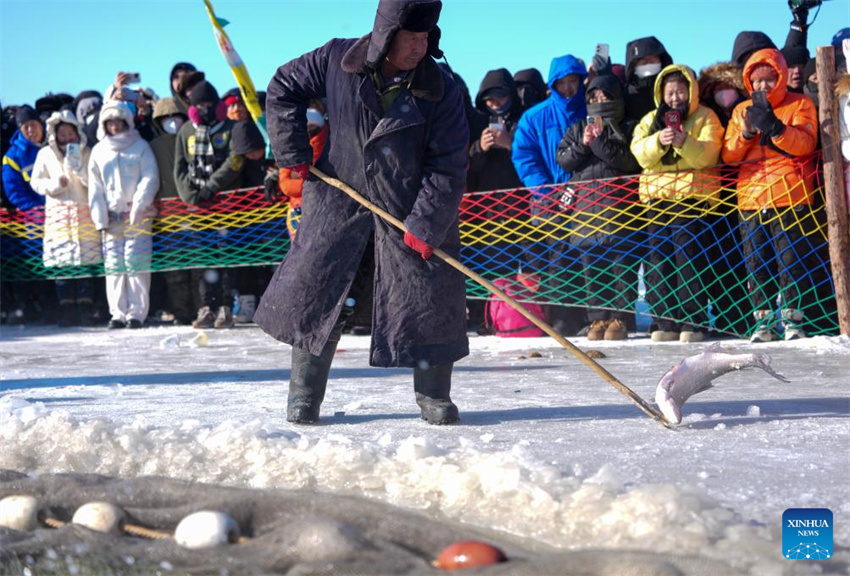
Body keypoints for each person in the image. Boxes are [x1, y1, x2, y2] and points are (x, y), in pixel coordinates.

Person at [254, 0, 469, 425]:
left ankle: (433, 396)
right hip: (338, 204)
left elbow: (449, 163)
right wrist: (291, 151)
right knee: (321, 297)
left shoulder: (441, 86)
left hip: (410, 212)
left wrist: (426, 222)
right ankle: (304, 395)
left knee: (429, 301)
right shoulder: (337, 59)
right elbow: (282, 87)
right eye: (411, 37)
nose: (420, 46)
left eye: (426, 37)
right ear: (387, 34)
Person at [721, 48, 818, 342]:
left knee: (791, 262)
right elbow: (728, 155)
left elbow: (806, 144)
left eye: (769, 79)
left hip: (791, 195)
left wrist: (776, 128)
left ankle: (793, 320)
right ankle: (762, 321)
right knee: (757, 263)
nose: (763, 86)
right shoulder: (741, 111)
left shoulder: (798, 103)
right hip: (751, 199)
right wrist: (747, 133)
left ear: (780, 77)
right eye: (757, 80)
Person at [630, 65, 724, 343]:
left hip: (692, 200)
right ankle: (663, 321)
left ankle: (692, 321)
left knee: (689, 262)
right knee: (659, 262)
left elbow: (709, 155)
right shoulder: (650, 120)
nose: (674, 98)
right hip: (658, 200)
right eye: (670, 93)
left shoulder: (705, 117)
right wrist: (659, 140)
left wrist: (685, 141)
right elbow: (639, 153)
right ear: (661, 94)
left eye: (680, 92)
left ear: (691, 92)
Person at [556, 75, 641, 341]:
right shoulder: (577, 127)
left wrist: (598, 142)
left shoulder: (627, 125)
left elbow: (631, 161)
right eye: (593, 96)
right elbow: (564, 161)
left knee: (621, 268)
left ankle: (621, 318)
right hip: (584, 212)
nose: (598, 101)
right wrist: (583, 143)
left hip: (619, 211)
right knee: (591, 269)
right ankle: (597, 318)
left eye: (604, 95)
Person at [511, 54, 589, 336]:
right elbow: (524, 156)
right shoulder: (535, 117)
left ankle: (594, 317)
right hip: (549, 200)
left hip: (587, 198)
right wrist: (545, 190)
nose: (568, 88)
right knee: (557, 262)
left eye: (573, 82)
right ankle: (561, 319)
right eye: (562, 83)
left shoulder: (592, 111)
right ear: (552, 85)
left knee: (589, 258)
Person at [174, 80, 243, 330]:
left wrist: (212, 185)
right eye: (199, 105)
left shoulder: (229, 127)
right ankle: (206, 307)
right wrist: (189, 194)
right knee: (204, 259)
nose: (204, 109)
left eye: (208, 104)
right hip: (198, 208)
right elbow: (179, 166)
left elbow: (236, 160)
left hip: (225, 204)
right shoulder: (186, 131)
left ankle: (225, 306)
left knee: (227, 257)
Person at [88, 101, 160, 329]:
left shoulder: (140, 146)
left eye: (118, 121)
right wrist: (100, 217)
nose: (115, 126)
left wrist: (140, 204)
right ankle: (117, 313)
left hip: (138, 216)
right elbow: (95, 187)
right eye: (110, 122)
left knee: (136, 263)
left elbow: (150, 177)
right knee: (114, 266)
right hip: (111, 218)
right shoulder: (99, 151)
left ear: (126, 122)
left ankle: (137, 313)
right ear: (104, 125)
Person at [30, 110, 102, 327]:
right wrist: (55, 185)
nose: (67, 138)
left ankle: (86, 309)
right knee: (63, 267)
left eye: (71, 133)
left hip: (84, 218)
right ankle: (67, 310)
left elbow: (95, 183)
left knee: (84, 266)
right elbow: (36, 182)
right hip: (59, 220)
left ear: (77, 133)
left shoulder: (87, 153)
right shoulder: (45, 155)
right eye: (63, 134)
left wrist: (79, 170)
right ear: (55, 135)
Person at [149, 97, 194, 325]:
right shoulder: (154, 146)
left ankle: (199, 307)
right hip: (168, 215)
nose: (172, 122)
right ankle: (181, 310)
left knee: (198, 264)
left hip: (196, 212)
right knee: (175, 267)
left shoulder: (192, 138)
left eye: (175, 117)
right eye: (166, 118)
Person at [276, 101, 329, 242]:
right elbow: (285, 184)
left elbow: (323, 183)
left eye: (311, 128)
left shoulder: (327, 148)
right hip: (296, 210)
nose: (307, 131)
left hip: (322, 209)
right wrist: (309, 181)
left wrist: (299, 178)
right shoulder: (289, 148)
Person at [3, 105, 45, 211]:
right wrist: (37, 208)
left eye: (33, 125)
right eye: (26, 127)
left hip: (63, 212)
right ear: (20, 130)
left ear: (40, 124)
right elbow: (14, 191)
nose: (30, 130)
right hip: (36, 218)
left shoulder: (55, 143)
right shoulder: (12, 156)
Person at [623, 37, 673, 121]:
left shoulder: (674, 87)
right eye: (642, 60)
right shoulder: (625, 96)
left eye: (653, 58)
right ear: (633, 65)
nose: (648, 62)